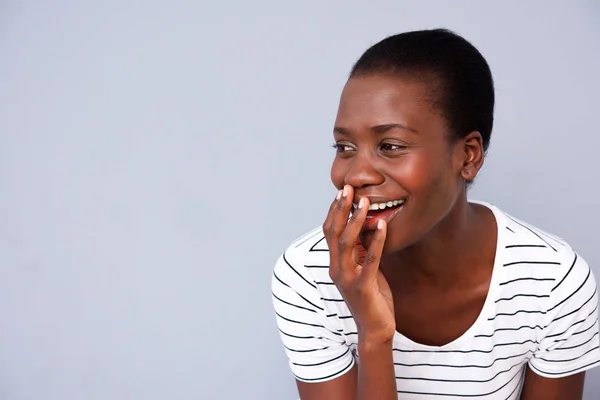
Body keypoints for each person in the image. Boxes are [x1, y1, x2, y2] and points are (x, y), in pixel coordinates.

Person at [270, 28, 600, 399]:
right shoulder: (309, 276)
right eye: (344, 146)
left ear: (468, 156)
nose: (355, 174)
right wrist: (375, 338)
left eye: (390, 145)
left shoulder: (552, 282)